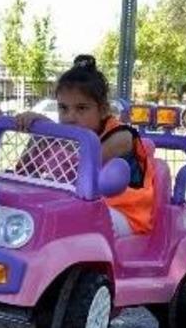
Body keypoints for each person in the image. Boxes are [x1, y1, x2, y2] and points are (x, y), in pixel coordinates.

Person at [14, 55, 155, 237]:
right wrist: (37, 136)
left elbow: (82, 165)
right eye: (63, 108)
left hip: (125, 212)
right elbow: (25, 170)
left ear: (103, 109)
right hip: (84, 203)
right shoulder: (69, 135)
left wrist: (49, 128)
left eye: (81, 108)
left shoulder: (121, 137)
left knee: (67, 224)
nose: (70, 117)